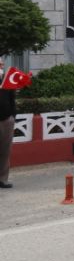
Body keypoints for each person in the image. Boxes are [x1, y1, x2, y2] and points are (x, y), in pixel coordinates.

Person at [0, 60, 16, 189]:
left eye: (1, 64)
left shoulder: (7, 80)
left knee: (5, 151)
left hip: (7, 120)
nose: (1, 66)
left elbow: (12, 99)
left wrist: (13, 116)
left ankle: (3, 179)